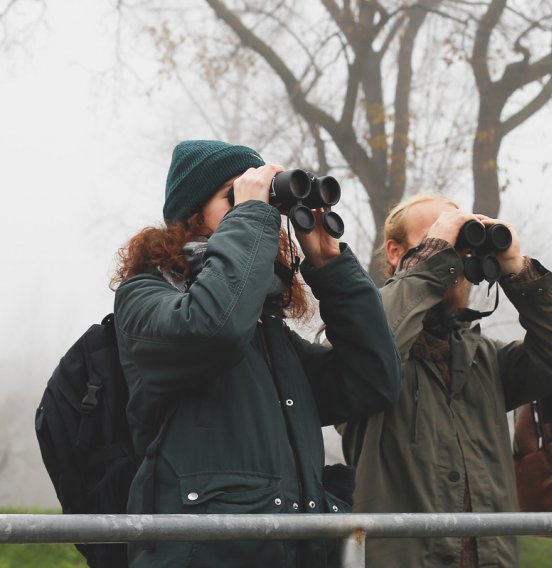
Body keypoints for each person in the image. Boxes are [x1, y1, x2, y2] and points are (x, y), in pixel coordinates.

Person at [111, 140, 402, 567]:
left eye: (264, 198)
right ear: (191, 215)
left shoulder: (268, 333)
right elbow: (214, 328)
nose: (259, 205)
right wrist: (251, 213)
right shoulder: (144, 295)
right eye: (236, 194)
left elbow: (372, 381)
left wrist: (331, 268)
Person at [338, 194, 552, 567]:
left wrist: (518, 272)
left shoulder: (482, 358)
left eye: (460, 243)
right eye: (438, 241)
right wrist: (431, 261)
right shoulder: (356, 339)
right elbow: (375, 355)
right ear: (396, 252)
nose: (454, 256)